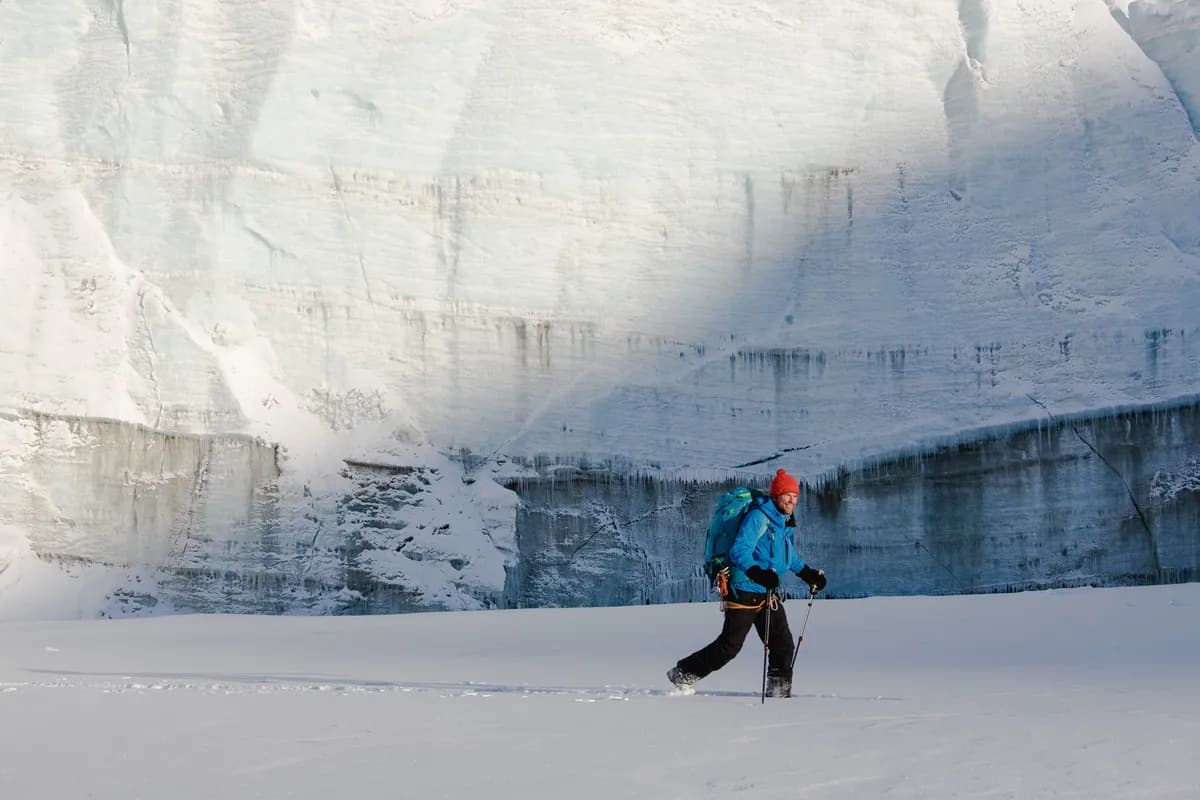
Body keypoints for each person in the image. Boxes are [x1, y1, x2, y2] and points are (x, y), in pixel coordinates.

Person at [667, 468, 826, 698]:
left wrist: (808, 574)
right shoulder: (759, 517)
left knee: (783, 645)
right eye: (787, 496)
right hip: (743, 590)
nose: (792, 501)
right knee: (729, 647)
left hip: (766, 593)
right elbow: (739, 550)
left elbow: (787, 557)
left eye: (795, 497)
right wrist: (758, 573)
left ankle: (779, 696)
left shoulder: (783, 522)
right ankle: (683, 672)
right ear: (776, 496)